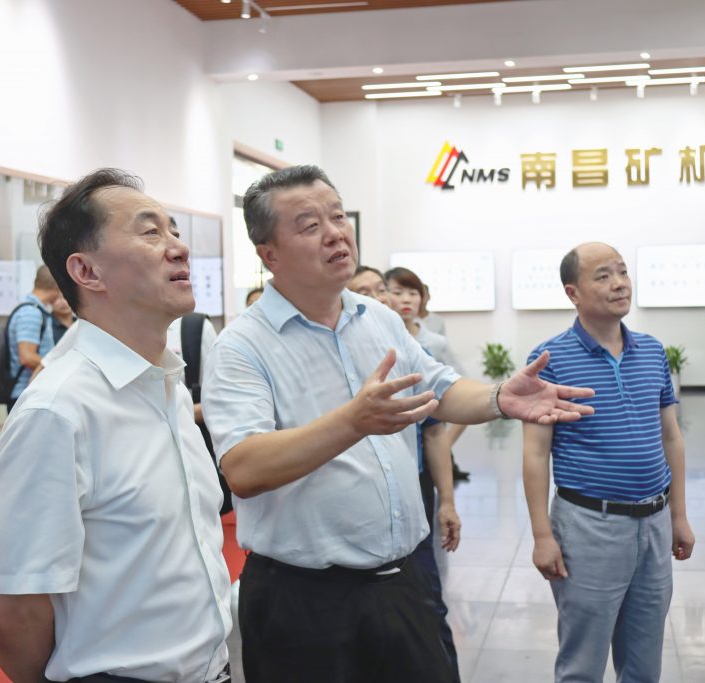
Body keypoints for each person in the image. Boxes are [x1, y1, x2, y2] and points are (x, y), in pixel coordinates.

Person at [202, 164, 594, 683]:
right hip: (302, 602)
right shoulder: (241, 346)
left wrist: (500, 397)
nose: (335, 233)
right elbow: (244, 468)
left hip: (402, 584)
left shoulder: (378, 318)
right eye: (310, 225)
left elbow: (440, 389)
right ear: (268, 254)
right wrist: (353, 422)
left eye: (337, 216)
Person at [0, 169, 233, 683]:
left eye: (174, 230)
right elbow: (14, 614)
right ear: (86, 271)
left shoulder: (167, 386)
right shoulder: (57, 412)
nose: (179, 248)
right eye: (150, 232)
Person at [522, 242, 695, 683]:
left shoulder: (652, 351)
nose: (619, 283)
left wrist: (679, 515)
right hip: (588, 528)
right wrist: (542, 535)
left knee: (644, 665)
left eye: (622, 272)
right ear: (573, 293)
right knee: (582, 665)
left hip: (654, 524)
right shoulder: (549, 361)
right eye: (603, 275)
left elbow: (671, 436)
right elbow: (535, 453)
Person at [349, 266, 462, 679]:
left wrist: (446, 500)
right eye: (364, 292)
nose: (379, 298)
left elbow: (435, 429)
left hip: (411, 493)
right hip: (358, 510)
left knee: (428, 608)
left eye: (381, 289)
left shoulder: (411, 350)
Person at [385, 266, 471, 481]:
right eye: (398, 293)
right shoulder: (377, 338)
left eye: (413, 293)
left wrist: (445, 445)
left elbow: (461, 387)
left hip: (428, 443)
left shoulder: (435, 343)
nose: (406, 299)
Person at [6, 265, 60, 411]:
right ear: (57, 286)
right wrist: (58, 368)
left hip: (31, 393)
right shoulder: (31, 313)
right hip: (26, 395)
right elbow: (27, 357)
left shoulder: (35, 310)